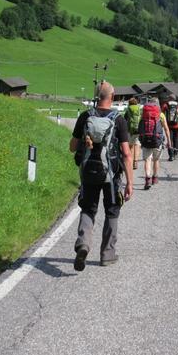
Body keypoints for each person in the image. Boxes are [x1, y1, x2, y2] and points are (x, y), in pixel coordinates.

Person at [69, 82, 133, 271]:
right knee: (112, 210)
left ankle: (83, 244)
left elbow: (72, 147)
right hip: (111, 175)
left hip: (89, 171)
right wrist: (130, 182)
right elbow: (127, 154)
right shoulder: (119, 119)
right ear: (112, 97)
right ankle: (107, 254)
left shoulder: (85, 116)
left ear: (97, 96)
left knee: (88, 209)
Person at [139, 97, 171, 190]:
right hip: (157, 141)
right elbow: (166, 128)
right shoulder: (160, 115)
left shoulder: (144, 114)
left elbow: (141, 126)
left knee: (147, 160)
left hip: (146, 140)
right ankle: (155, 177)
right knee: (156, 160)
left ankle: (147, 178)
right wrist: (169, 141)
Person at [162, 94, 178, 161]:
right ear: (174, 99)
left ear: (169, 98)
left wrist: (161, 124)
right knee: (176, 139)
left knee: (170, 139)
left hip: (168, 125)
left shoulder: (165, 105)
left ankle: (171, 156)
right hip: (176, 125)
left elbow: (162, 115)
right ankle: (176, 154)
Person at [124, 97, 142, 170]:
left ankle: (131, 162)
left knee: (130, 145)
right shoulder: (139, 109)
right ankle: (135, 162)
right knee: (137, 145)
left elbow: (125, 119)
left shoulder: (128, 109)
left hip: (130, 130)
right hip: (138, 130)